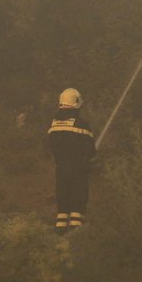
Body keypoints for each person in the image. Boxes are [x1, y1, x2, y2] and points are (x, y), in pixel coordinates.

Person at [47, 88, 96, 233]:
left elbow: (49, 146)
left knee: (63, 194)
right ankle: (76, 229)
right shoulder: (81, 124)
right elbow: (90, 150)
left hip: (61, 168)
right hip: (79, 168)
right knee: (78, 194)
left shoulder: (53, 124)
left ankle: (60, 228)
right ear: (76, 102)